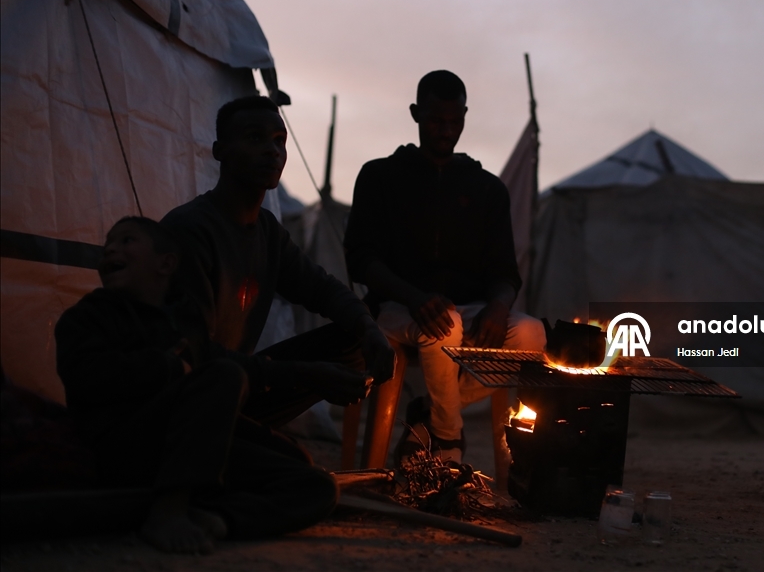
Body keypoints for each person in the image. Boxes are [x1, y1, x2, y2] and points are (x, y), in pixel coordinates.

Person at [56, 217, 338, 554]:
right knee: (224, 375)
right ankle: (169, 510)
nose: (111, 249)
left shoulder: (182, 324)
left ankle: (216, 519)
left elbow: (235, 369)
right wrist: (166, 367)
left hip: (186, 448)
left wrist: (306, 376)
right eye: (108, 246)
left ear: (166, 264)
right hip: (124, 446)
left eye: (126, 240)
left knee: (313, 481)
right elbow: (85, 376)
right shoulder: (88, 317)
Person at [344, 70, 545, 464]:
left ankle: (429, 415)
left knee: (531, 335)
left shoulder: (487, 188)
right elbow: (360, 259)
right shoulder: (380, 176)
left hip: (469, 309)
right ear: (416, 113)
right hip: (395, 307)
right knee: (444, 325)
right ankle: (449, 447)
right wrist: (414, 298)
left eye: (455, 121)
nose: (446, 130)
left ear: (465, 116)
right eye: (436, 120)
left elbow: (505, 271)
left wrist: (499, 306)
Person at [161, 96, 396, 429]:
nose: (272, 151)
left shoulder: (267, 231)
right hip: (185, 400)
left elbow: (321, 288)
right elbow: (193, 354)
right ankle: (237, 437)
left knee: (355, 338)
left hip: (237, 386)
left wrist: (369, 327)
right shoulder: (190, 230)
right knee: (294, 463)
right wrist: (306, 376)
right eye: (255, 138)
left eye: (279, 141)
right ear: (220, 150)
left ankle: (244, 431)